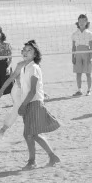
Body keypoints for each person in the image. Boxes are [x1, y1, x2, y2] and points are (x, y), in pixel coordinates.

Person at [10, 40, 60, 169]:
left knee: (29, 134)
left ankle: (32, 161)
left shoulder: (34, 67)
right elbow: (23, 87)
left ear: (35, 54)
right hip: (28, 102)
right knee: (33, 134)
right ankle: (52, 157)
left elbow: (33, 90)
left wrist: (23, 105)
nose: (26, 52)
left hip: (34, 102)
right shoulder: (25, 67)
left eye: (29, 50)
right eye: (24, 50)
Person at [71, 13, 92, 97]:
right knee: (78, 73)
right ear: (78, 22)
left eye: (83, 21)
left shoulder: (89, 34)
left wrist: (90, 57)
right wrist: (73, 57)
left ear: (86, 22)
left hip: (86, 53)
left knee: (88, 73)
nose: (81, 23)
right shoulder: (74, 34)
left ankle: (89, 90)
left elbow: (91, 47)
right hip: (77, 53)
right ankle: (79, 90)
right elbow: (73, 47)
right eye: (79, 21)